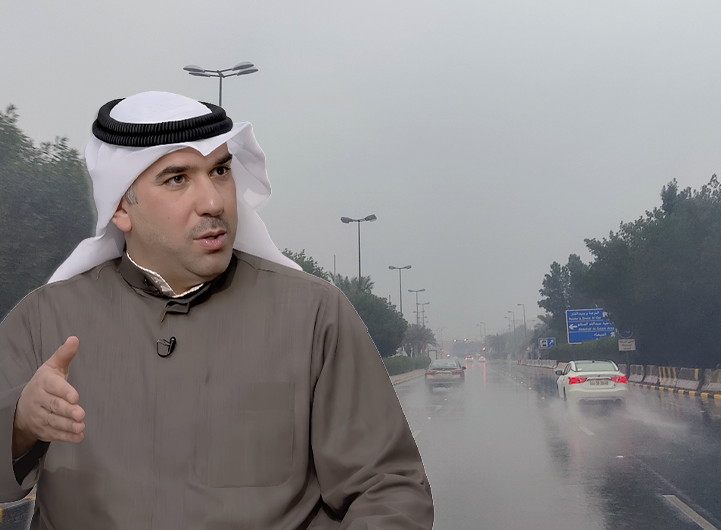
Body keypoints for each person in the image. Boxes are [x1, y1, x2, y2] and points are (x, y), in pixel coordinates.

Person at [0, 92, 434, 529]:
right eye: (178, 179)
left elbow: (388, 488)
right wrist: (19, 424)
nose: (214, 202)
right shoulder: (43, 322)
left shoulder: (313, 316)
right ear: (120, 207)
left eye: (220, 171)